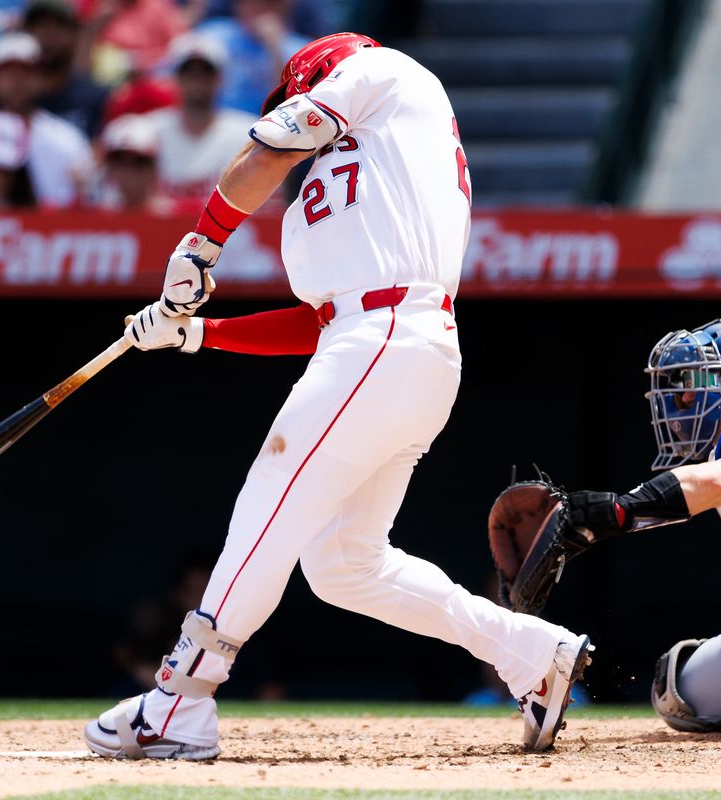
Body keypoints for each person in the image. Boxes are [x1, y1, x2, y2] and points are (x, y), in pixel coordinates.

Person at [83, 33, 592, 761]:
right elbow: (322, 320)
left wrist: (199, 247)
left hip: (389, 337)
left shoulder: (379, 72)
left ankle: (179, 700)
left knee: (268, 499)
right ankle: (532, 653)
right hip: (387, 346)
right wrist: (197, 334)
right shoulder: (360, 178)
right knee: (345, 565)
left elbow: (266, 154)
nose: (292, 110)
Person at [541, 318, 721, 739]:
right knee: (683, 689)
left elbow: (707, 484)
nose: (685, 397)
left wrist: (614, 513)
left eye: (705, 381)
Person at [0, 32, 92, 209]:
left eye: (26, 71)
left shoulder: (67, 140)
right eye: (7, 72)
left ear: (40, 77)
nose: (17, 81)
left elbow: (79, 216)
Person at [146, 33, 256, 210]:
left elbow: (267, 207)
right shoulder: (148, 131)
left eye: (205, 72)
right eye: (189, 72)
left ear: (220, 78)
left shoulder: (248, 133)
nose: (197, 79)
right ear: (175, 77)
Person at [194, 0, 309, 115]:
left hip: (266, 125)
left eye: (268, 3)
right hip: (216, 122)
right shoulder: (213, 34)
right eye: (251, 2)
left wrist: (274, 47)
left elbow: (291, 104)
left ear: (283, 7)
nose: (258, 8)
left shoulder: (302, 50)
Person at [22, 0, 108, 136]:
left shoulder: (94, 98)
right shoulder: (9, 99)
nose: (47, 36)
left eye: (58, 27)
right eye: (39, 26)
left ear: (75, 35)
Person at [94, 114, 171, 213]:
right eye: (120, 162)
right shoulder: (98, 218)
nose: (129, 172)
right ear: (110, 168)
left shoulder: (179, 216)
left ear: (153, 167)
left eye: (138, 161)